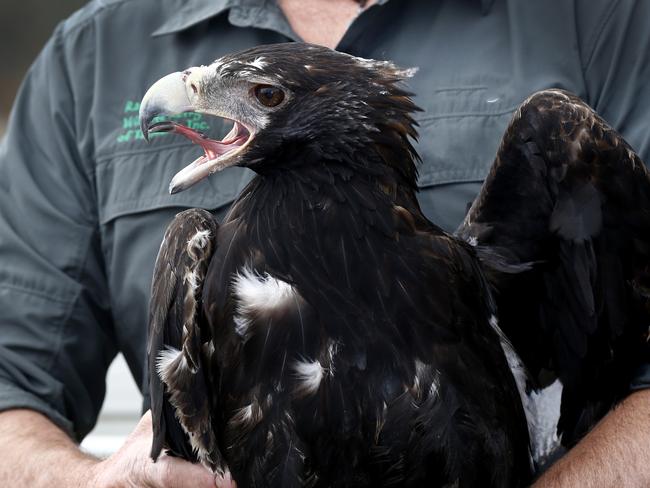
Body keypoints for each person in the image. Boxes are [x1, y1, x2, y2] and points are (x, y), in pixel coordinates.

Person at [0, 0, 649, 486]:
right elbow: (11, 387)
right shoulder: (91, 56)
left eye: (263, 96)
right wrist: (93, 482)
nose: (186, 94)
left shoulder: (599, 20)